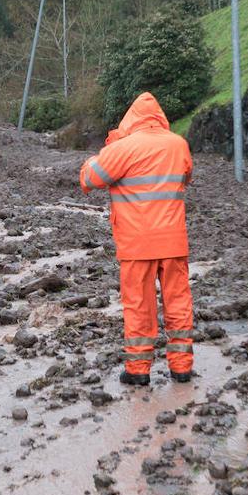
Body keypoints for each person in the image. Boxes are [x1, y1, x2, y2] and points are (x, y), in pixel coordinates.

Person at [79, 92, 195, 386]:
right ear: (159, 118)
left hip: (136, 245)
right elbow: (185, 176)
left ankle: (138, 370)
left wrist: (102, 153)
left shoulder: (123, 148)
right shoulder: (178, 144)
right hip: (173, 242)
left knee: (138, 306)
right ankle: (181, 368)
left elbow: (89, 179)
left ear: (131, 119)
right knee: (178, 302)